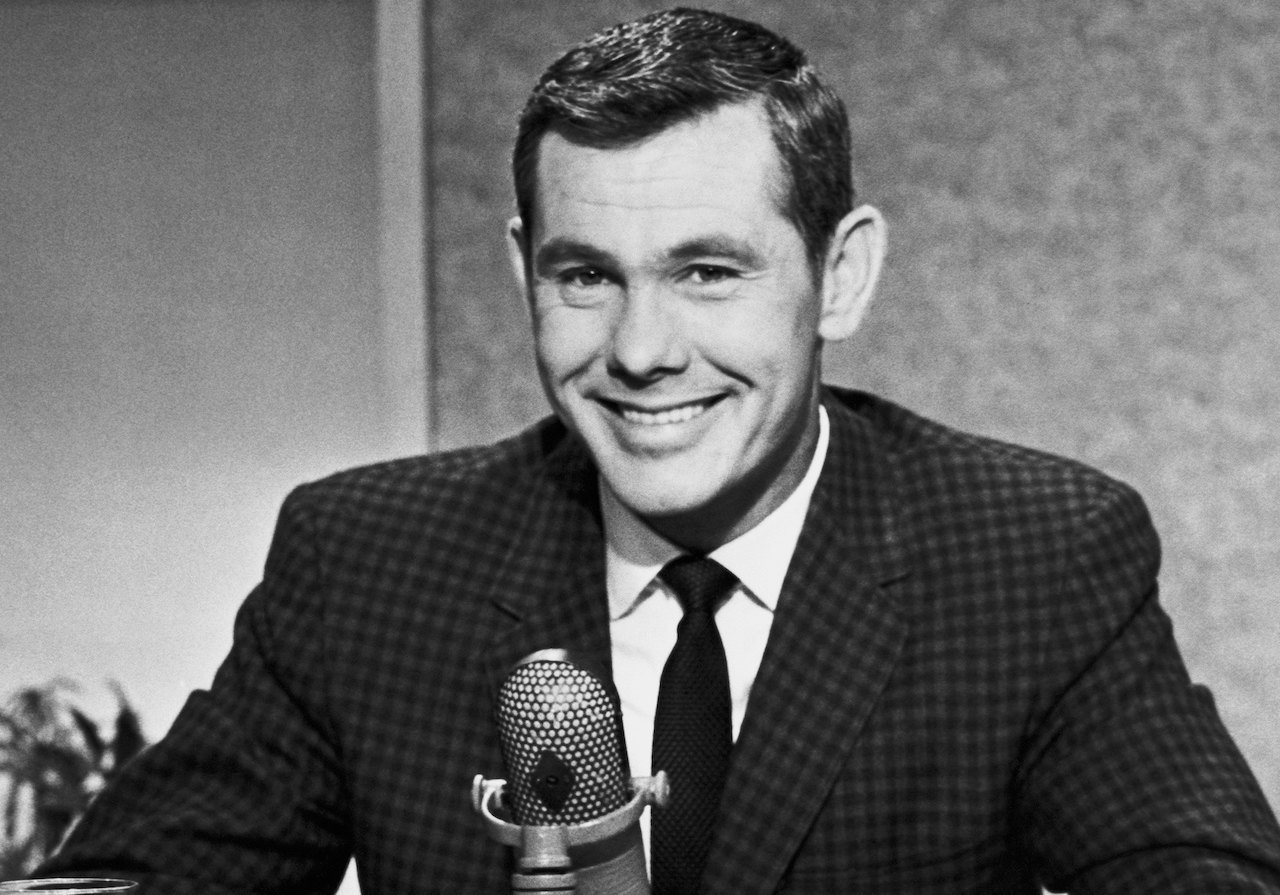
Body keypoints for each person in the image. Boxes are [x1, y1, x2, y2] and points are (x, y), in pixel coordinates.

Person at [41, 8, 1280, 894]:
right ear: (523, 269)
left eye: (705, 272)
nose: (639, 350)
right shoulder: (365, 558)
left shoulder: (1033, 553)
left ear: (839, 275)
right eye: (585, 276)